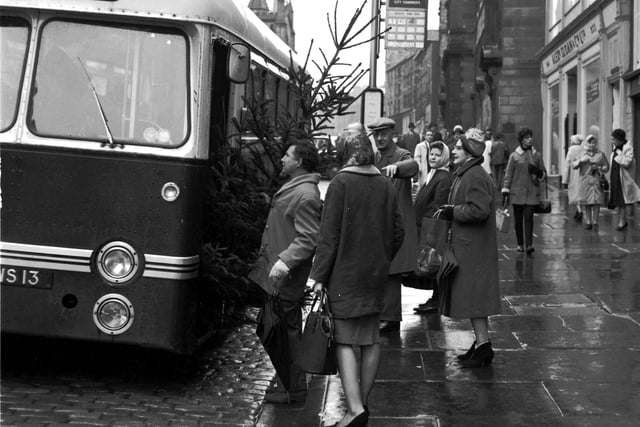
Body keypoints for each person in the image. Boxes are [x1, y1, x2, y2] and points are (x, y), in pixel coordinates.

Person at [308, 126, 404, 427]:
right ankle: (361, 404)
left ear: (344, 151)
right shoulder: (385, 183)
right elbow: (398, 231)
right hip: (375, 272)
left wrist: (318, 276)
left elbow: (329, 236)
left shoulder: (340, 182)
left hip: (345, 274)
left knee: (346, 340)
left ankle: (354, 408)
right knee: (371, 337)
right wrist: (382, 256)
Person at [248, 139, 322, 404]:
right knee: (271, 330)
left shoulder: (305, 194)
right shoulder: (298, 188)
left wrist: (284, 262)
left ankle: (294, 390)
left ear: (299, 161)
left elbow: (308, 238)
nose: (281, 159)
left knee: (285, 335)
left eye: (287, 155)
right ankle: (290, 384)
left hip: (283, 278)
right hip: (275, 275)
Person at [436, 128, 501, 368]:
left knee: (475, 298)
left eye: (458, 148)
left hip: (474, 249)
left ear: (470, 152)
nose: (453, 151)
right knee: (476, 300)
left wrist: (454, 211)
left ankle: (484, 347)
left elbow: (480, 210)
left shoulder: (474, 175)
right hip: (470, 246)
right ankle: (482, 344)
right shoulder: (467, 172)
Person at [369, 117, 419, 332]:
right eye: (376, 134)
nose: (380, 138)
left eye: (384, 133)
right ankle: (384, 314)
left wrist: (396, 168)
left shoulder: (399, 155)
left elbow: (413, 165)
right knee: (383, 270)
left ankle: (390, 318)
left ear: (393, 134)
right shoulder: (374, 156)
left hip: (394, 224)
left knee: (392, 272)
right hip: (379, 224)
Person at [412, 141, 452, 313]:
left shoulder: (443, 177)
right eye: (431, 154)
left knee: (434, 264)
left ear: (443, 157)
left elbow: (438, 205)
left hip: (432, 228)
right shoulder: (434, 174)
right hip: (426, 226)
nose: (433, 158)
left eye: (437, 155)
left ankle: (437, 300)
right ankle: (435, 299)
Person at [502, 127, 547, 254]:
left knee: (528, 218)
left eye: (530, 137)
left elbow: (544, 173)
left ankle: (529, 245)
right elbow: (508, 174)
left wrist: (538, 172)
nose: (529, 139)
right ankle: (520, 243)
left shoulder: (537, 155)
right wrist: (506, 191)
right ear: (521, 140)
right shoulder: (514, 156)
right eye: (527, 137)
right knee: (518, 220)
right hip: (517, 193)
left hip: (532, 193)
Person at [573, 134, 609, 230]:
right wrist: (581, 161)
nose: (592, 145)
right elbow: (574, 165)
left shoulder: (600, 154)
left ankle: (595, 221)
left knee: (597, 202)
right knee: (587, 202)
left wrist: (600, 168)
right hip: (585, 181)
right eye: (590, 142)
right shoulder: (582, 154)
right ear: (586, 143)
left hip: (596, 181)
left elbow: (606, 166)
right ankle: (588, 221)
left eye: (594, 142)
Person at [609, 129, 640, 230]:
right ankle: (622, 220)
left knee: (622, 200)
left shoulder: (627, 148)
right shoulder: (616, 147)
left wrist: (618, 154)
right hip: (615, 176)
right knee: (618, 200)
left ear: (620, 139)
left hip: (624, 178)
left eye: (614, 139)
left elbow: (627, 162)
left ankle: (622, 221)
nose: (612, 141)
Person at [563, 134, 585, 221]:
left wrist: (565, 179)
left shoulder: (571, 150)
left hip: (573, 173)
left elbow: (567, 165)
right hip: (583, 173)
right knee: (581, 192)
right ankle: (580, 210)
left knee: (575, 192)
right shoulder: (583, 149)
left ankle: (579, 211)